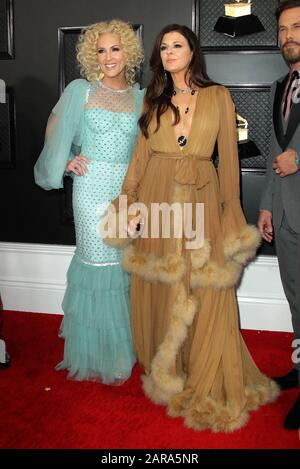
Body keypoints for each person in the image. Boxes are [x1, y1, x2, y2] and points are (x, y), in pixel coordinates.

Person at [105, 24, 279, 431]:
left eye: (177, 45)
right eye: (163, 47)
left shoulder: (218, 96)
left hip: (200, 195)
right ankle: (169, 363)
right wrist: (128, 203)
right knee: (165, 281)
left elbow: (230, 163)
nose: (168, 52)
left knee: (201, 283)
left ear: (192, 50)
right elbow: (139, 157)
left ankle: (202, 364)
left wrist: (230, 213)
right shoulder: (153, 98)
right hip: (157, 193)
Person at [34, 20, 144, 384]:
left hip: (124, 193)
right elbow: (54, 127)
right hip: (90, 189)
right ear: (91, 56)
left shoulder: (140, 97)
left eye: (115, 48)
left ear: (127, 52)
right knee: (98, 266)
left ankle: (121, 349)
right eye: (101, 50)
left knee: (121, 269)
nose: (108, 57)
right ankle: (96, 353)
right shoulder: (81, 90)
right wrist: (65, 161)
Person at [258, 0, 300, 430]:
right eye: (284, 29)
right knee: (297, 300)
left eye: (298, 27)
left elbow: (291, 155)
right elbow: (274, 153)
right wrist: (267, 205)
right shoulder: (278, 86)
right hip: (286, 215)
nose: (288, 35)